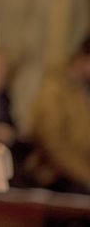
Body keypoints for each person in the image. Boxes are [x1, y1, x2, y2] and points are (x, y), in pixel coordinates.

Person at [25, 36, 90, 193]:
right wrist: (86, 176)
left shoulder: (81, 91)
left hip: (77, 173)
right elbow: (53, 144)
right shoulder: (53, 89)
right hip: (53, 177)